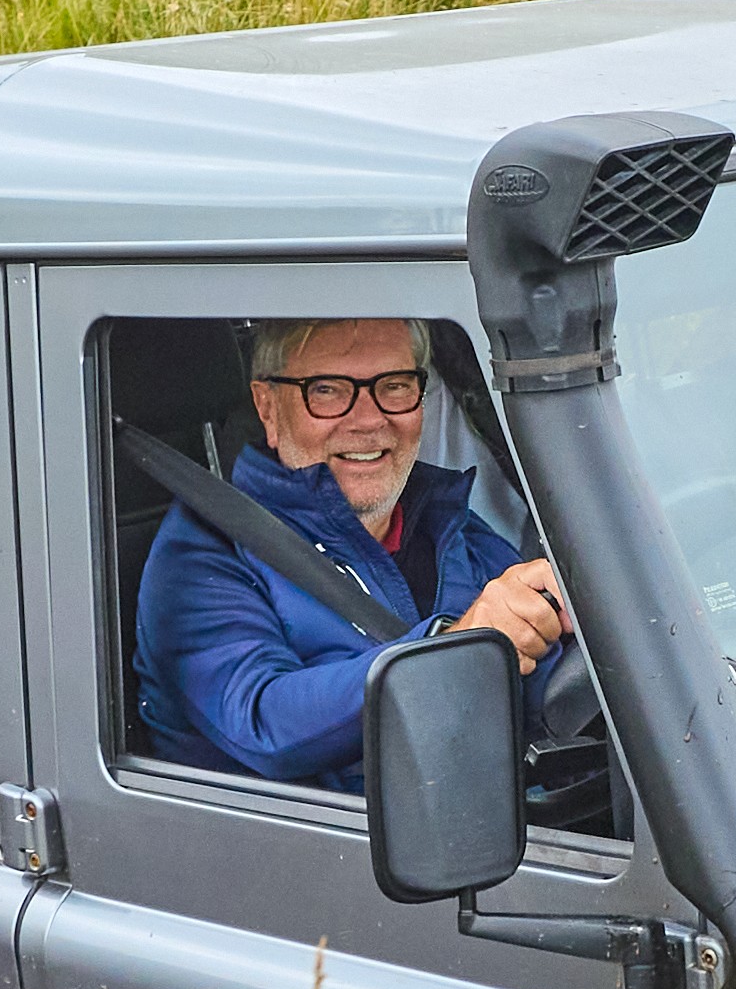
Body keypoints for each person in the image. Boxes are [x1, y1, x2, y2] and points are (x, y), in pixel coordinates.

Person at [133, 317, 574, 792]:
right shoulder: (204, 551)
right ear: (267, 407)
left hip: (499, 831)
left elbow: (552, 688)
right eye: (326, 390)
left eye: (395, 385)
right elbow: (266, 722)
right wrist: (459, 645)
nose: (368, 419)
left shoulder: (447, 522)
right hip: (305, 857)